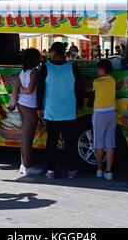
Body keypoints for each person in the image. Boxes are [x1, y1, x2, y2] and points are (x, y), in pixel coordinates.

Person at [37, 42, 83, 179]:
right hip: (69, 110)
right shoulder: (73, 67)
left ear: (54, 53)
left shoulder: (45, 67)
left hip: (51, 111)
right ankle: (71, 170)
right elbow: (79, 87)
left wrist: (39, 107)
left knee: (51, 142)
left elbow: (40, 89)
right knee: (69, 142)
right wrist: (79, 105)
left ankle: (51, 170)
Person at [8, 48, 43, 176]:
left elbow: (15, 88)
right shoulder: (34, 72)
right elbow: (29, 90)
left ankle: (23, 164)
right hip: (30, 106)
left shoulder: (22, 73)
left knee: (25, 135)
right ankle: (27, 165)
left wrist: (18, 95)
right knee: (28, 136)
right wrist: (23, 91)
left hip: (22, 105)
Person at [92, 59, 116, 180]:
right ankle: (109, 171)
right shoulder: (112, 81)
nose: (97, 71)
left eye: (98, 69)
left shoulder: (96, 82)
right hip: (111, 112)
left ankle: (99, 169)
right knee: (110, 144)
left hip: (99, 114)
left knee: (99, 144)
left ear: (102, 69)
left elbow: (89, 90)